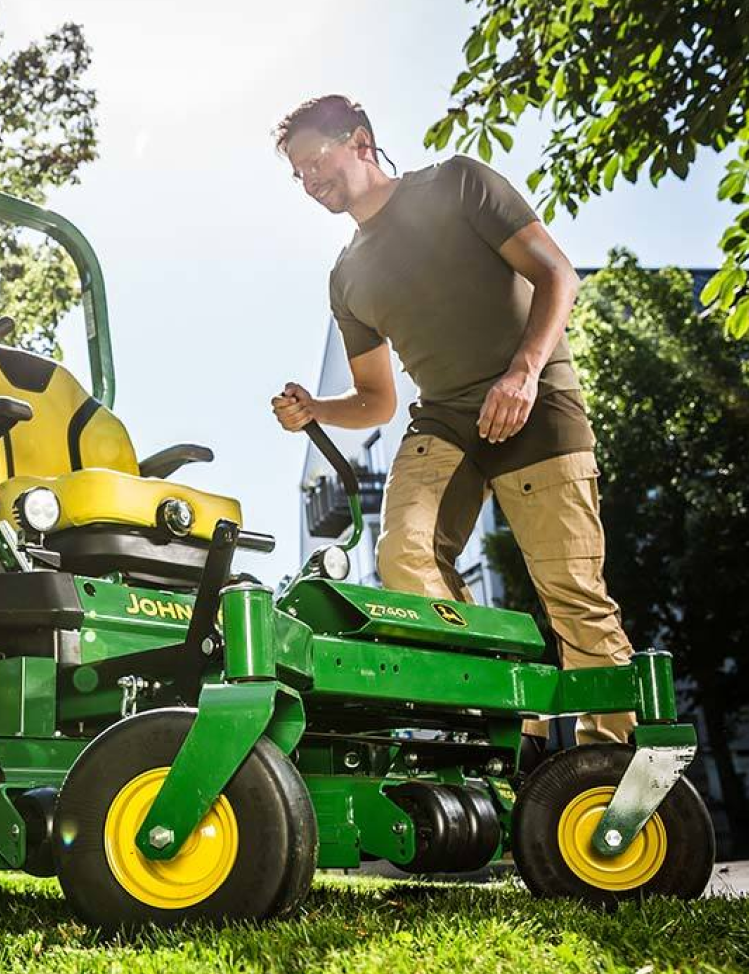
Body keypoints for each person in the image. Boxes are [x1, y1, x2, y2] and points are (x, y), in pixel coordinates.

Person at [268, 94, 634, 755]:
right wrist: (319, 410)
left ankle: (608, 766)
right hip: (446, 421)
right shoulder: (347, 275)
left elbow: (557, 276)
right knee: (403, 557)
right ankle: (506, 727)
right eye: (297, 174)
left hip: (539, 402)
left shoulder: (458, 183)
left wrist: (522, 373)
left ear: (359, 141)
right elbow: (377, 400)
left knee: (574, 595)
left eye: (314, 161)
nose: (308, 181)